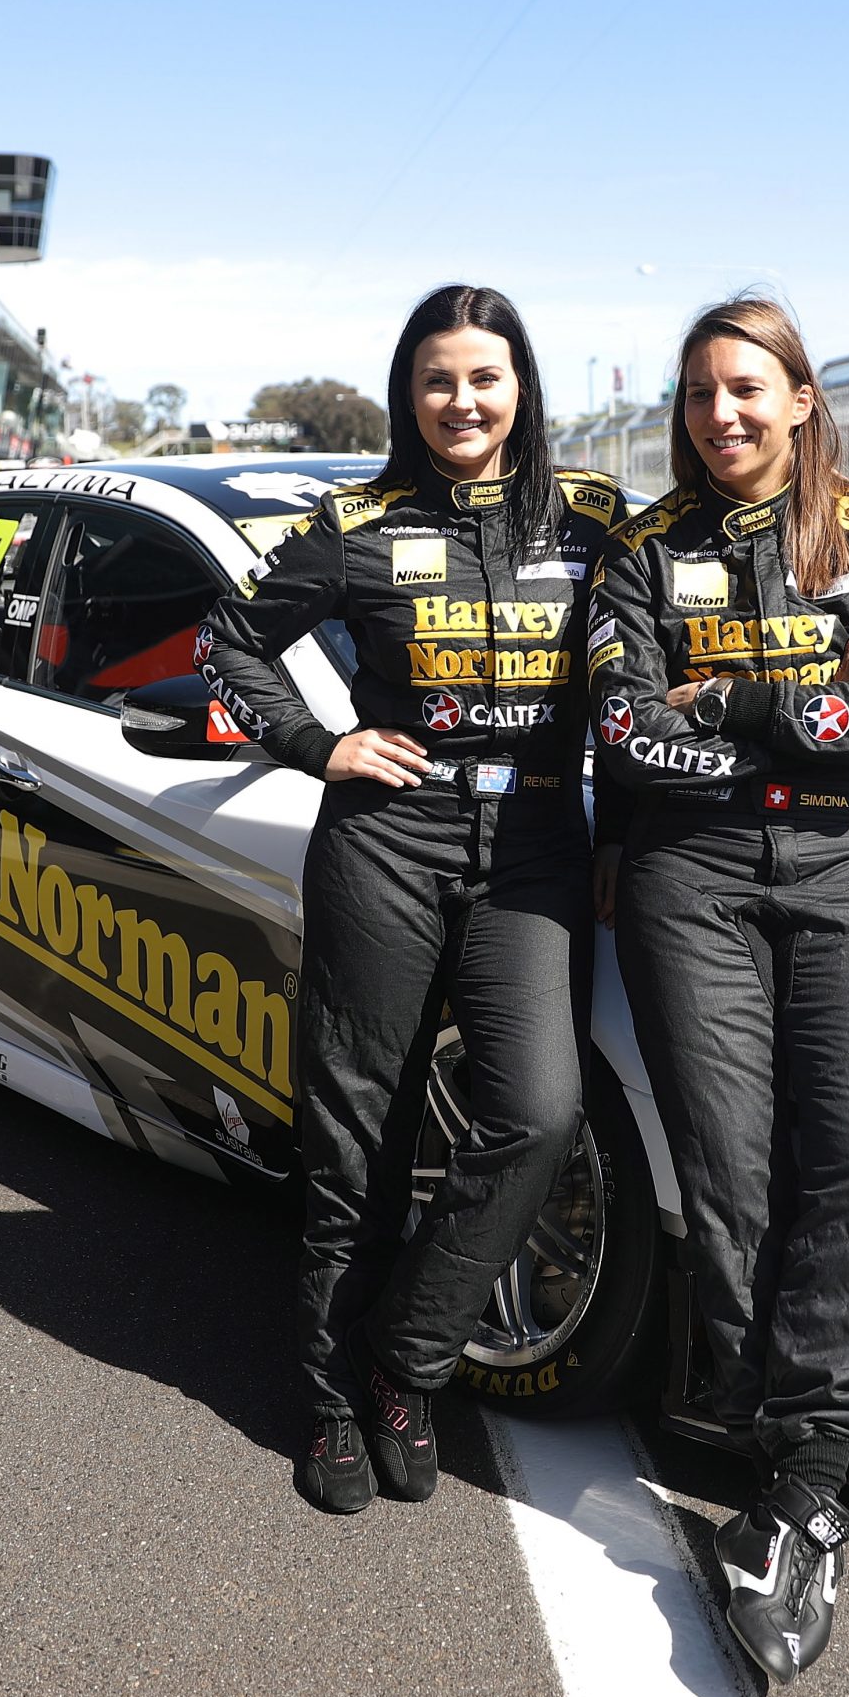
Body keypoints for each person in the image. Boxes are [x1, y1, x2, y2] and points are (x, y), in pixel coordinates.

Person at [199, 284, 621, 1513]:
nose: (461, 401)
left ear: (522, 387)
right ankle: (332, 1404)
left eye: (484, 378)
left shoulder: (594, 517)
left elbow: (678, 642)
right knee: (358, 1138)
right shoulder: (356, 520)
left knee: (538, 1116)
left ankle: (403, 1359)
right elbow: (227, 638)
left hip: (537, 840)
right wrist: (314, 742)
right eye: (437, 380)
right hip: (387, 839)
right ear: (409, 394)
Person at [587, 294, 849, 1684]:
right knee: (731, 1175)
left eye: (745, 388)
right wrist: (807, 705)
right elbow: (625, 734)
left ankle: (808, 1482)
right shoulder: (640, 550)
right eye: (696, 395)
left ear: (801, 397)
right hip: (692, 883)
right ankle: (755, 1422)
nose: (717, 414)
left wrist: (720, 698)